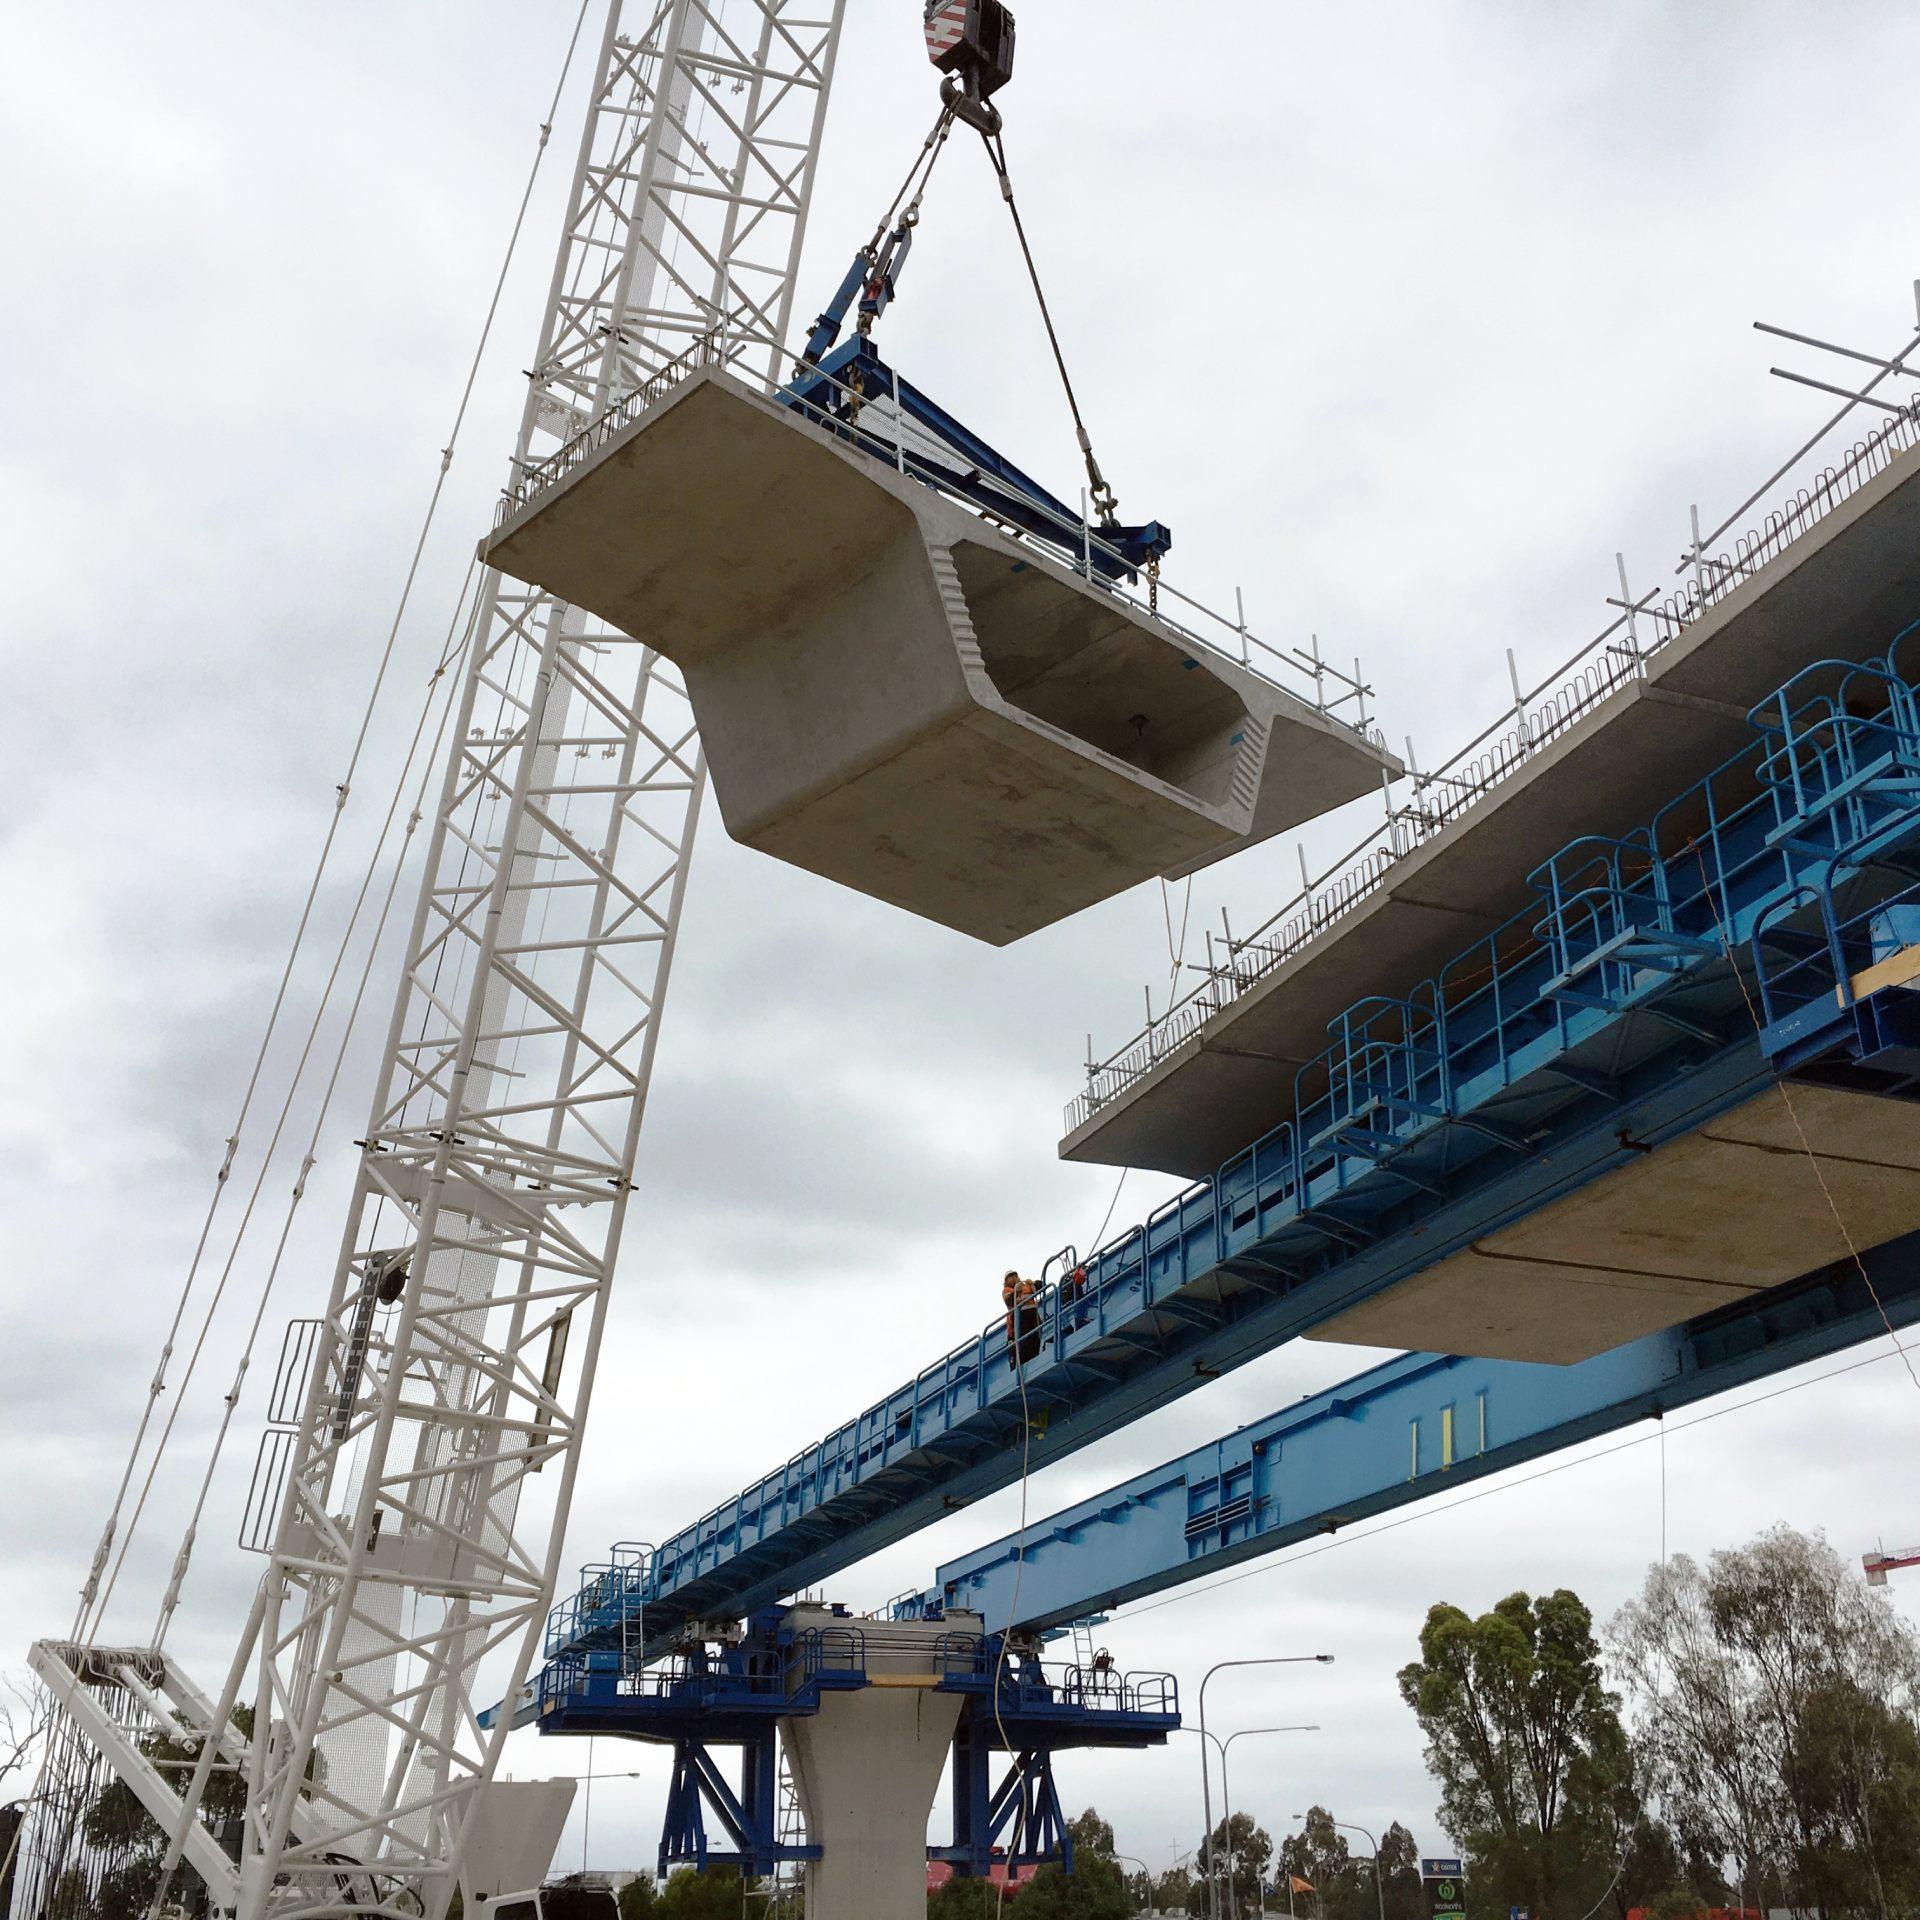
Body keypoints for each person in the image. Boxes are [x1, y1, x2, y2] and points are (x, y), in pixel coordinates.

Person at [1002, 1269, 1041, 1365]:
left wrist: (1034, 1283)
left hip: (1032, 1314)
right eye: (1010, 1276)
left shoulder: (1026, 1285)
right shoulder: (1007, 1290)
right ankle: (1020, 1364)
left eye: (1015, 1275)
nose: (1014, 1277)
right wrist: (1016, 1292)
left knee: (1035, 1338)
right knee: (1022, 1343)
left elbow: (1040, 1286)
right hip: (1020, 1318)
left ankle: (1035, 1356)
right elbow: (1009, 1301)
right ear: (1006, 1281)